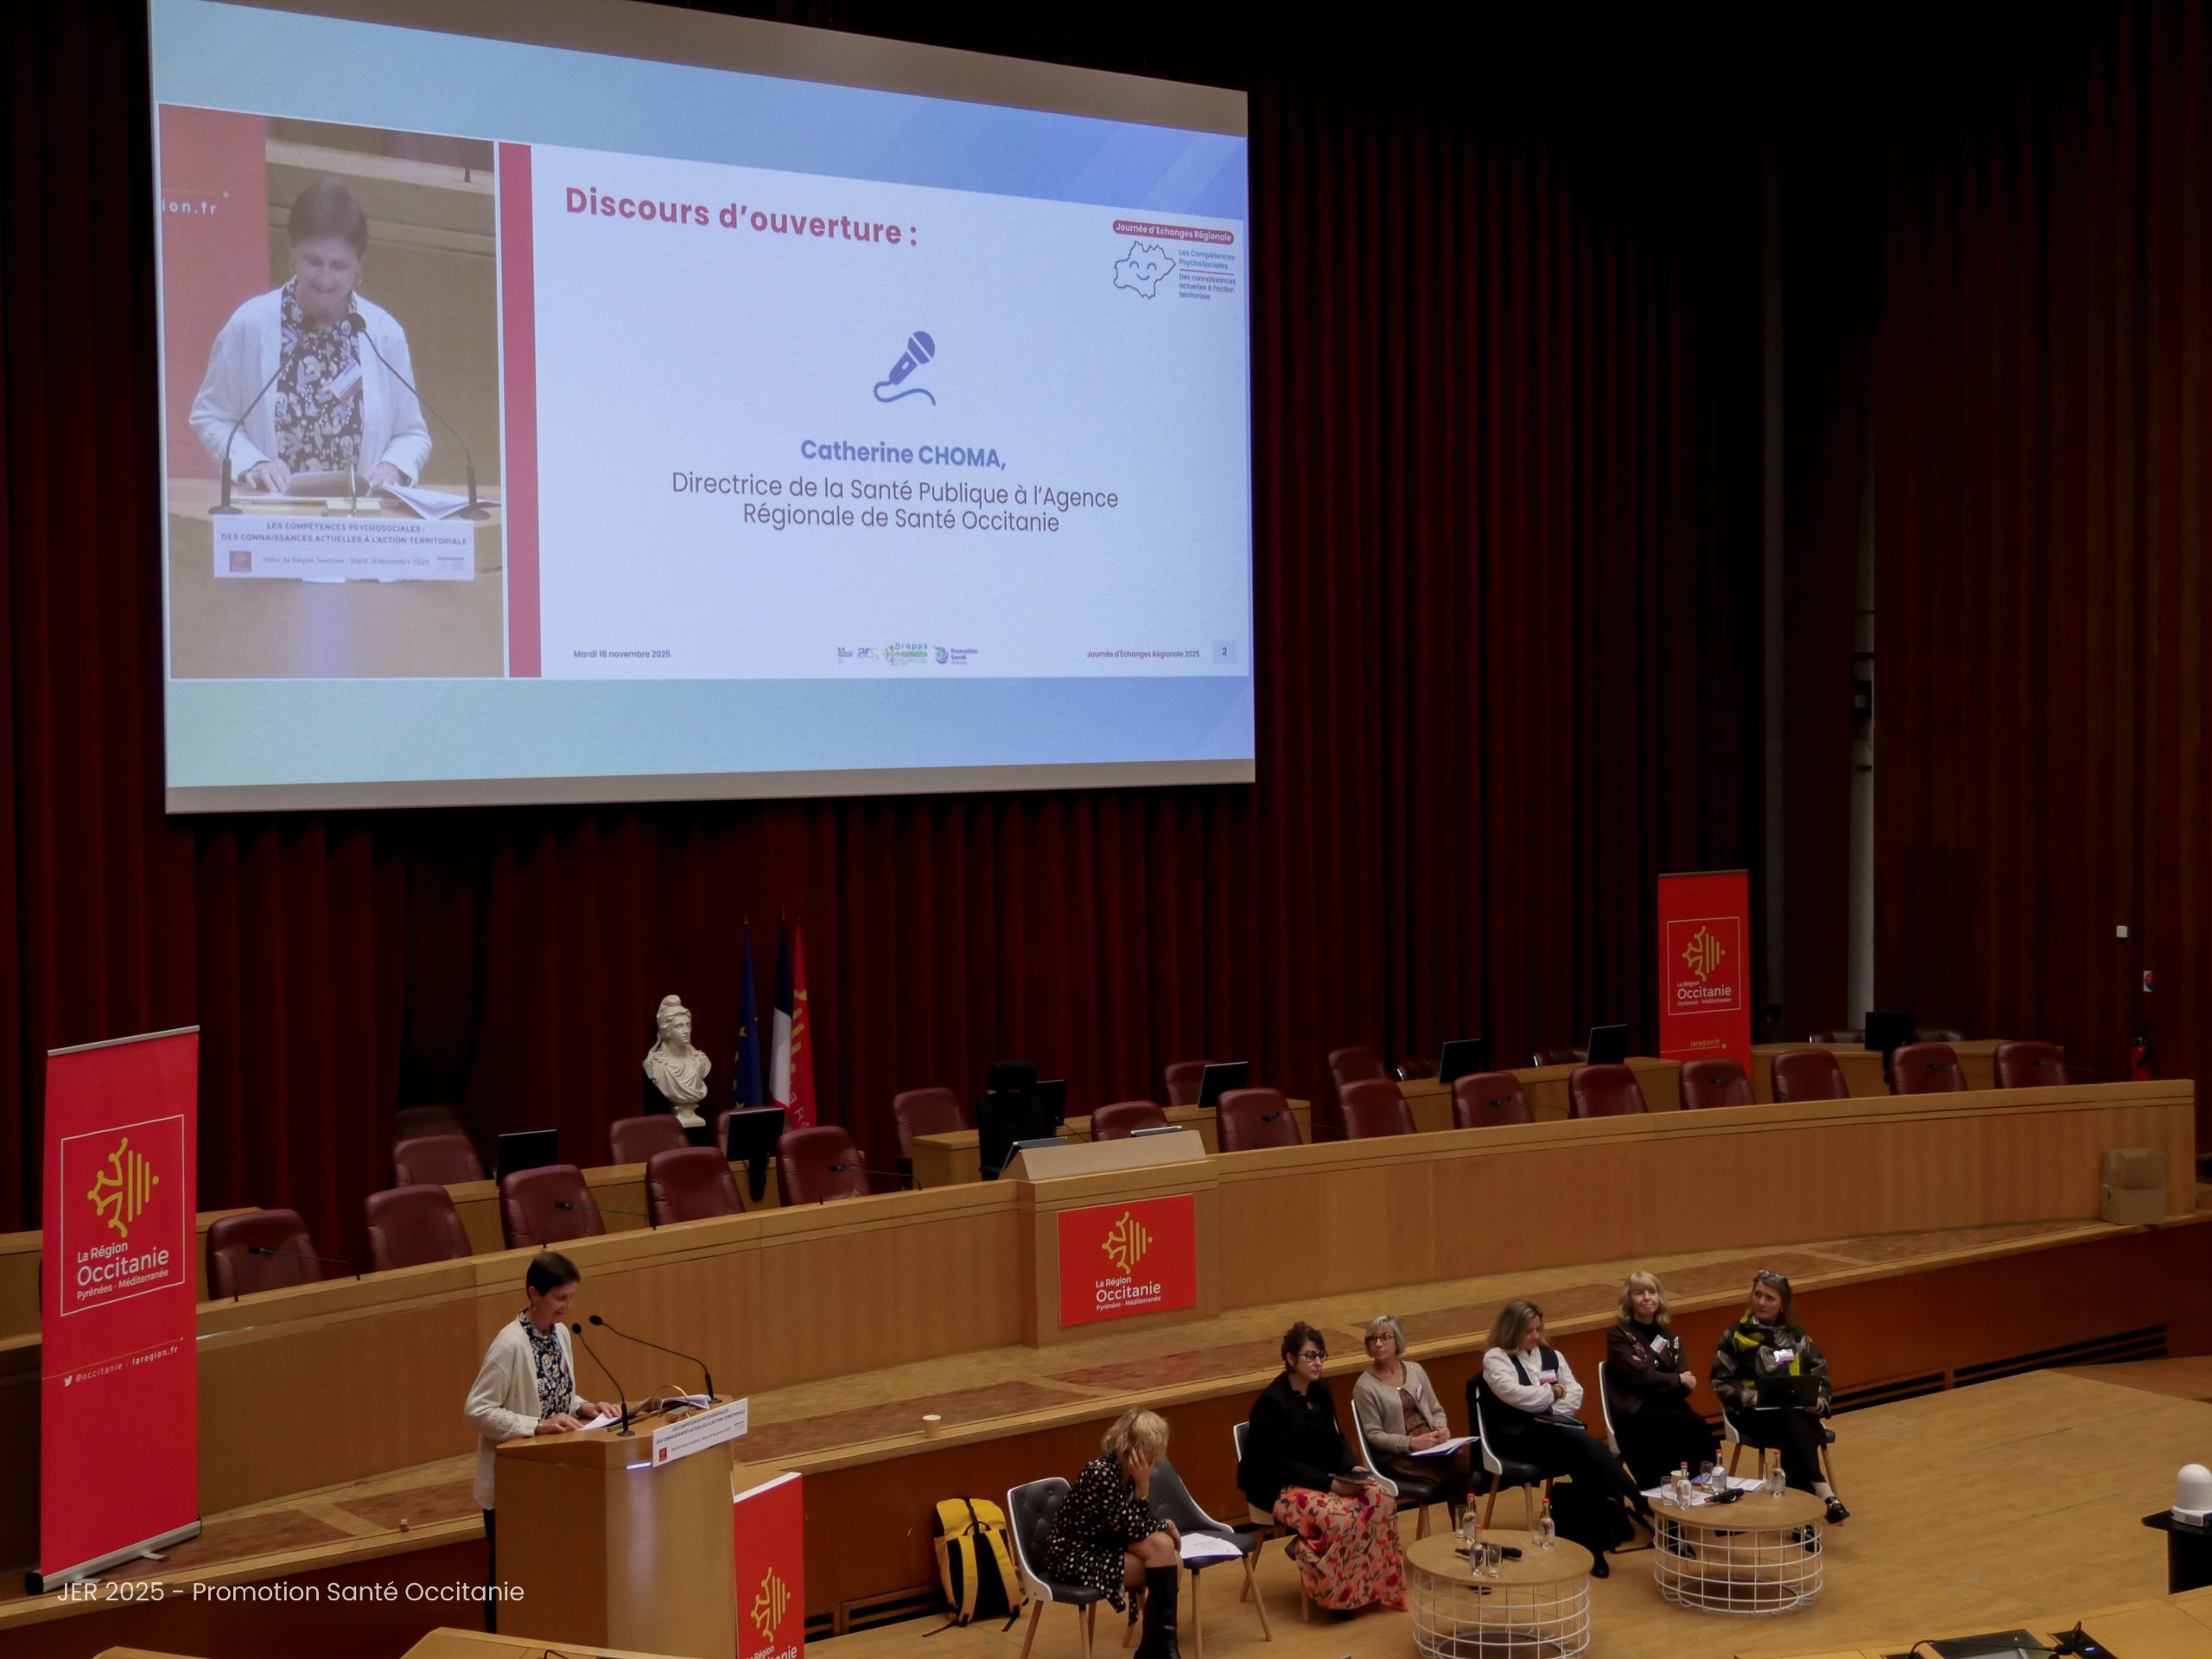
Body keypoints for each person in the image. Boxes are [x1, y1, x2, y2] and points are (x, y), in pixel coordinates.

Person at [189, 178, 431, 493]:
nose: (326, 279)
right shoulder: (250, 324)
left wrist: (393, 467)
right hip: (272, 522)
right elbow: (212, 416)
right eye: (314, 262)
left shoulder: (383, 334)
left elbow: (412, 434)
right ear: (293, 254)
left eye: (340, 265)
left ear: (359, 264)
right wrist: (252, 462)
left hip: (361, 526)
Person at [464, 1251, 619, 1631]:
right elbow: (477, 1410)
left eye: (571, 1297)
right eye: (560, 1299)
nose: (568, 1306)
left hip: (553, 1476)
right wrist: (536, 1426)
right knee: (510, 1578)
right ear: (534, 1294)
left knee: (550, 1570)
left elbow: (560, 1396)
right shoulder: (510, 1345)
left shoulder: (561, 1333)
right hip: (515, 1483)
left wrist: (586, 1407)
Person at [1238, 1320, 1406, 1615]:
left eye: (1321, 1355)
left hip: (1321, 1475)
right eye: (1310, 1356)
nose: (1317, 1363)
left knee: (1380, 1498)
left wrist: (1351, 1468)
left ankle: (1373, 1588)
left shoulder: (1321, 1390)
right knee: (1339, 1517)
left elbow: (1337, 1438)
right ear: (1290, 1359)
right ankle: (1338, 1599)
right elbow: (1283, 1465)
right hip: (1279, 1485)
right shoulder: (1271, 1404)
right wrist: (1331, 1485)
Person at [1473, 1297, 1641, 1575]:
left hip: (1551, 1433)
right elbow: (1518, 1397)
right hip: (1516, 1439)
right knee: (1580, 1444)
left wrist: (1549, 1401)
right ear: (1512, 1330)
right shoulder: (1495, 1357)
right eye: (1529, 1331)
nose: (1536, 1336)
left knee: (1587, 1465)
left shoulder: (1551, 1354)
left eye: (1538, 1329)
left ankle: (1594, 1550)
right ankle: (1638, 1498)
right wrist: (1553, 1393)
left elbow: (1575, 1394)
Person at [1041, 1409, 1184, 1659]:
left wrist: (1142, 1491)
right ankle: (1160, 1650)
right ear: (1138, 1448)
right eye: (1155, 1448)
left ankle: (1158, 1648)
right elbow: (1134, 1527)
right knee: (1171, 1559)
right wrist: (1161, 1518)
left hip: (1107, 1544)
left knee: (1169, 1554)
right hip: (1075, 1555)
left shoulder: (1127, 1474)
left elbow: (1133, 1525)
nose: (1158, 1456)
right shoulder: (1101, 1474)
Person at [1712, 1269, 1848, 1522]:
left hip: (1792, 1416)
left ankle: (1803, 1522)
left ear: (1783, 1303)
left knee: (1790, 1423)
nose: (1761, 1302)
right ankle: (1823, 1492)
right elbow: (1720, 1380)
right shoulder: (1736, 1335)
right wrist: (1750, 1397)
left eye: (1769, 1298)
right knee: (1796, 1426)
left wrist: (1819, 1402)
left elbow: (1821, 1376)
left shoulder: (1797, 1337)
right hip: (1750, 1415)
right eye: (1758, 1295)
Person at [1603, 1271, 1722, 1491]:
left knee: (1702, 1431)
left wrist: (1672, 1380)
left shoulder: (1671, 1337)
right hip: (1636, 1411)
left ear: (1660, 1297)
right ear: (1629, 1299)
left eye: (1652, 1291)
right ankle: (1668, 1491)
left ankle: (1701, 1489)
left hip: (1669, 1404)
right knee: (1692, 1425)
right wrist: (1676, 1379)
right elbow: (1641, 1376)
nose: (1647, 1297)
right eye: (1640, 1293)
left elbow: (1685, 1385)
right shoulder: (1619, 1334)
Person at [1351, 1314, 1473, 1514]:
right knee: (1456, 1470)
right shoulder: (1364, 1387)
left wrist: (1441, 1429)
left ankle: (1463, 1530)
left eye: (1384, 1337)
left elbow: (1436, 1410)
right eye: (1373, 1339)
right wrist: (1410, 1443)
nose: (1378, 1343)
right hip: (1398, 1456)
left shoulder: (1415, 1370)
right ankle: (1463, 1529)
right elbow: (1374, 1435)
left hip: (1431, 1446)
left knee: (1459, 1459)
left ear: (1397, 1339)